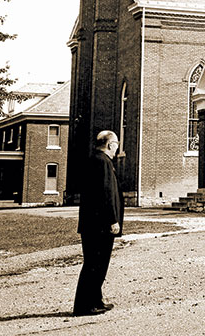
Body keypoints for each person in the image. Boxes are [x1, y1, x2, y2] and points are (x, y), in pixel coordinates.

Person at [73, 130, 124, 316]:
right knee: (95, 265)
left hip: (92, 224)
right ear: (110, 145)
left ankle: (95, 301)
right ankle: (85, 306)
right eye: (116, 143)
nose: (117, 147)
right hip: (100, 225)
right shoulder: (102, 162)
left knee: (95, 265)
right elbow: (106, 193)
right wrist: (112, 220)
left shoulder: (94, 159)